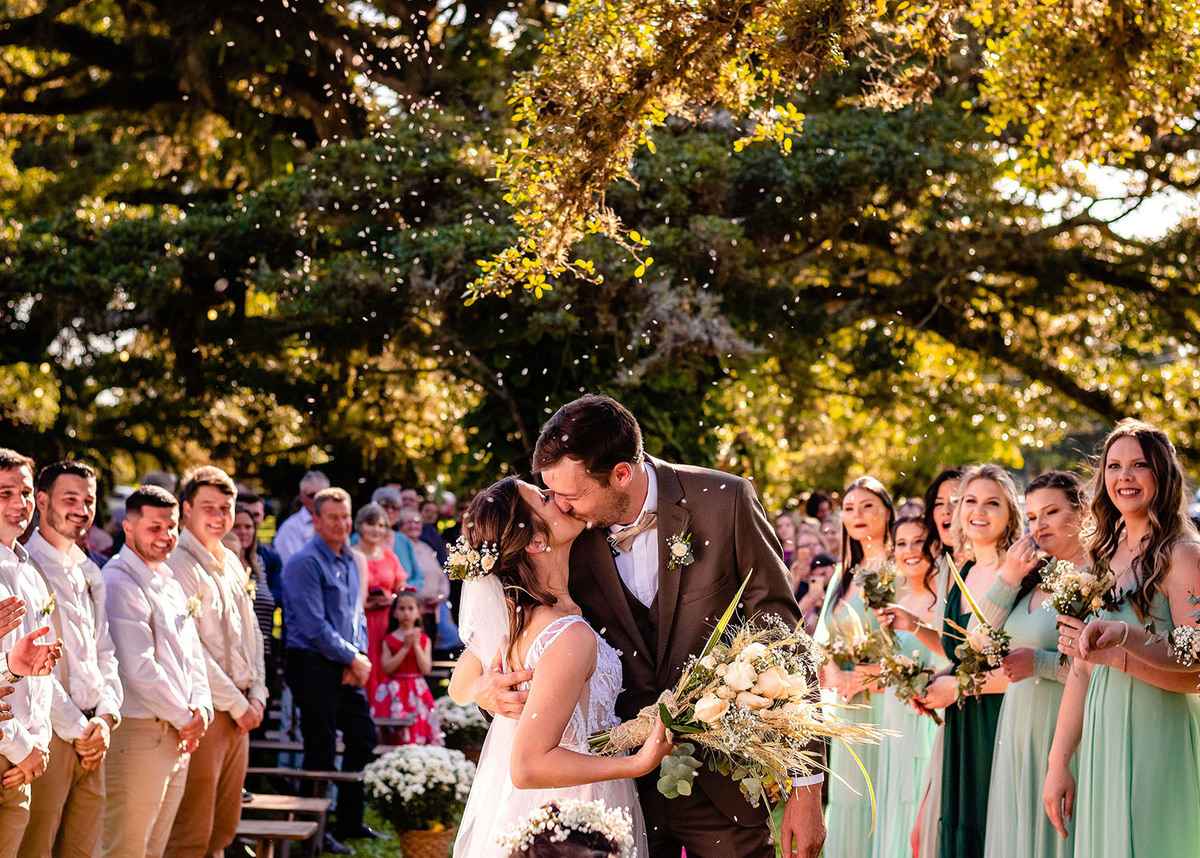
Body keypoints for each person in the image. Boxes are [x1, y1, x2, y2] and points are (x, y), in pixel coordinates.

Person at [508, 394, 823, 858]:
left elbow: (785, 642)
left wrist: (807, 784)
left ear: (621, 474)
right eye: (552, 494)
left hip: (723, 782)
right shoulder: (563, 535)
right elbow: (520, 630)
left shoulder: (726, 502)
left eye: (571, 496)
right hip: (615, 789)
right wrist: (490, 693)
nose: (560, 508)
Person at [449, 477, 670, 858]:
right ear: (536, 542)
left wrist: (485, 690)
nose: (558, 496)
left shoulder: (513, 615)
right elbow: (527, 766)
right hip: (571, 809)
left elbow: (458, 688)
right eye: (544, 497)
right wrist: (636, 764)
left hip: (535, 805)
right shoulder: (567, 635)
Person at [1044, 420, 1200, 856]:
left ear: (1162, 474)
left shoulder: (1183, 555)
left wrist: (1126, 641)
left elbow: (1196, 658)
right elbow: (1081, 668)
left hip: (1159, 728)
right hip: (1103, 729)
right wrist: (1058, 763)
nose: (1124, 476)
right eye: (1114, 466)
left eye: (1139, 465)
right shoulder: (1098, 558)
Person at [100, 486, 212, 858]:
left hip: (178, 730)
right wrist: (185, 718)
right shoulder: (119, 581)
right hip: (139, 734)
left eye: (172, 527)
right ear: (128, 528)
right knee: (125, 846)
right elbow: (138, 669)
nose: (166, 536)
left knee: (154, 848)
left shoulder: (169, 580)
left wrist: (202, 707)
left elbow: (193, 655)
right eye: (155, 528)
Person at [978, 471, 1085, 858]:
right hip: (1017, 726)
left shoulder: (1095, 579)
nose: (1039, 525)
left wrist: (1039, 663)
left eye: (1051, 512)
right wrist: (1008, 576)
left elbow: (1098, 670)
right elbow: (977, 639)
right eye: (1032, 516)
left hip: (1062, 728)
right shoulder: (1031, 578)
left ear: (1082, 511)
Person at [20, 461, 123, 858]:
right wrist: (80, 730)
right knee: (36, 848)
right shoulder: (25, 567)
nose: (82, 509)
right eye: (70, 499)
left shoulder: (89, 571)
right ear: (42, 502)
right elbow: (33, 669)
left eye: (89, 501)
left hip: (93, 735)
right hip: (51, 733)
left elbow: (105, 651)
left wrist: (106, 717)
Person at [915, 463, 1019, 858]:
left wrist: (956, 686)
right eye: (970, 501)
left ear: (1010, 512)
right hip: (961, 724)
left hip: (1001, 720)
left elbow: (1021, 667)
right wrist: (933, 683)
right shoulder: (964, 571)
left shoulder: (1022, 575)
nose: (979, 510)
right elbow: (963, 657)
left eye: (993, 502)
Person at [164, 466, 267, 858]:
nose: (220, 516)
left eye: (226, 508)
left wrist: (257, 694)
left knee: (224, 826)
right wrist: (239, 704)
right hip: (206, 709)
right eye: (209, 507)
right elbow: (192, 650)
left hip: (242, 709)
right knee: (192, 829)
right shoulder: (177, 564)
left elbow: (253, 635)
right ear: (186, 509)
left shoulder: (232, 562)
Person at [281, 487, 386, 852]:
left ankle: (349, 821)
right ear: (316, 520)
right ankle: (314, 829)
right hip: (311, 663)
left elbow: (356, 616)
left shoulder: (351, 559)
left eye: (346, 517)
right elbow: (314, 626)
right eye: (333, 518)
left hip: (343, 663)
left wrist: (355, 657)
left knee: (363, 737)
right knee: (321, 747)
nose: (342, 524)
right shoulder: (304, 563)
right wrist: (351, 659)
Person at [817, 476, 893, 858]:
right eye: (849, 508)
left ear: (887, 512)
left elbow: (908, 648)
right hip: (848, 708)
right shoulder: (842, 573)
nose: (857, 515)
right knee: (850, 799)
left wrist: (861, 677)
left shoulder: (898, 569)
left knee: (882, 797)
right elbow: (822, 637)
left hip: (886, 703)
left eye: (868, 506)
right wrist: (831, 668)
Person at [871, 514, 946, 858]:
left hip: (929, 720)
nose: (910, 550)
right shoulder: (894, 601)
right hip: (895, 719)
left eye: (918, 541)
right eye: (901, 543)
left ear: (934, 546)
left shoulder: (944, 600)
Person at [0, 450, 63, 852]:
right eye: (4, 493)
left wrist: (38, 742)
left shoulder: (30, 573)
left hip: (24, 757)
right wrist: (21, 748)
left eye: (24, 492)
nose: (19, 503)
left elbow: (37, 671)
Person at [351, 502, 406, 710]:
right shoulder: (350, 555)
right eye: (371, 524)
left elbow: (402, 590)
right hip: (361, 623)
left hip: (386, 624)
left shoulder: (390, 557)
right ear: (360, 525)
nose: (376, 529)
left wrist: (392, 599)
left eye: (381, 525)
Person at [373, 591, 439, 744]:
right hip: (394, 690)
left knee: (417, 725)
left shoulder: (424, 640)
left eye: (410, 608)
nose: (406, 613)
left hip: (416, 689)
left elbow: (425, 669)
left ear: (418, 612)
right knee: (394, 731)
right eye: (402, 609)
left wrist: (415, 646)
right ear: (395, 613)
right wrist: (404, 648)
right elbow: (387, 667)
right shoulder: (388, 639)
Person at [231, 502, 280, 699]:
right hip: (237, 656)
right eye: (237, 526)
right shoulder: (223, 566)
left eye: (248, 527)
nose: (243, 532)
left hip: (263, 654)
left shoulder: (259, 563)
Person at [272, 470, 330, 564]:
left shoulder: (336, 524)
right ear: (302, 497)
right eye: (312, 495)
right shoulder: (290, 528)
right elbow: (294, 566)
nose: (317, 500)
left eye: (322, 496)